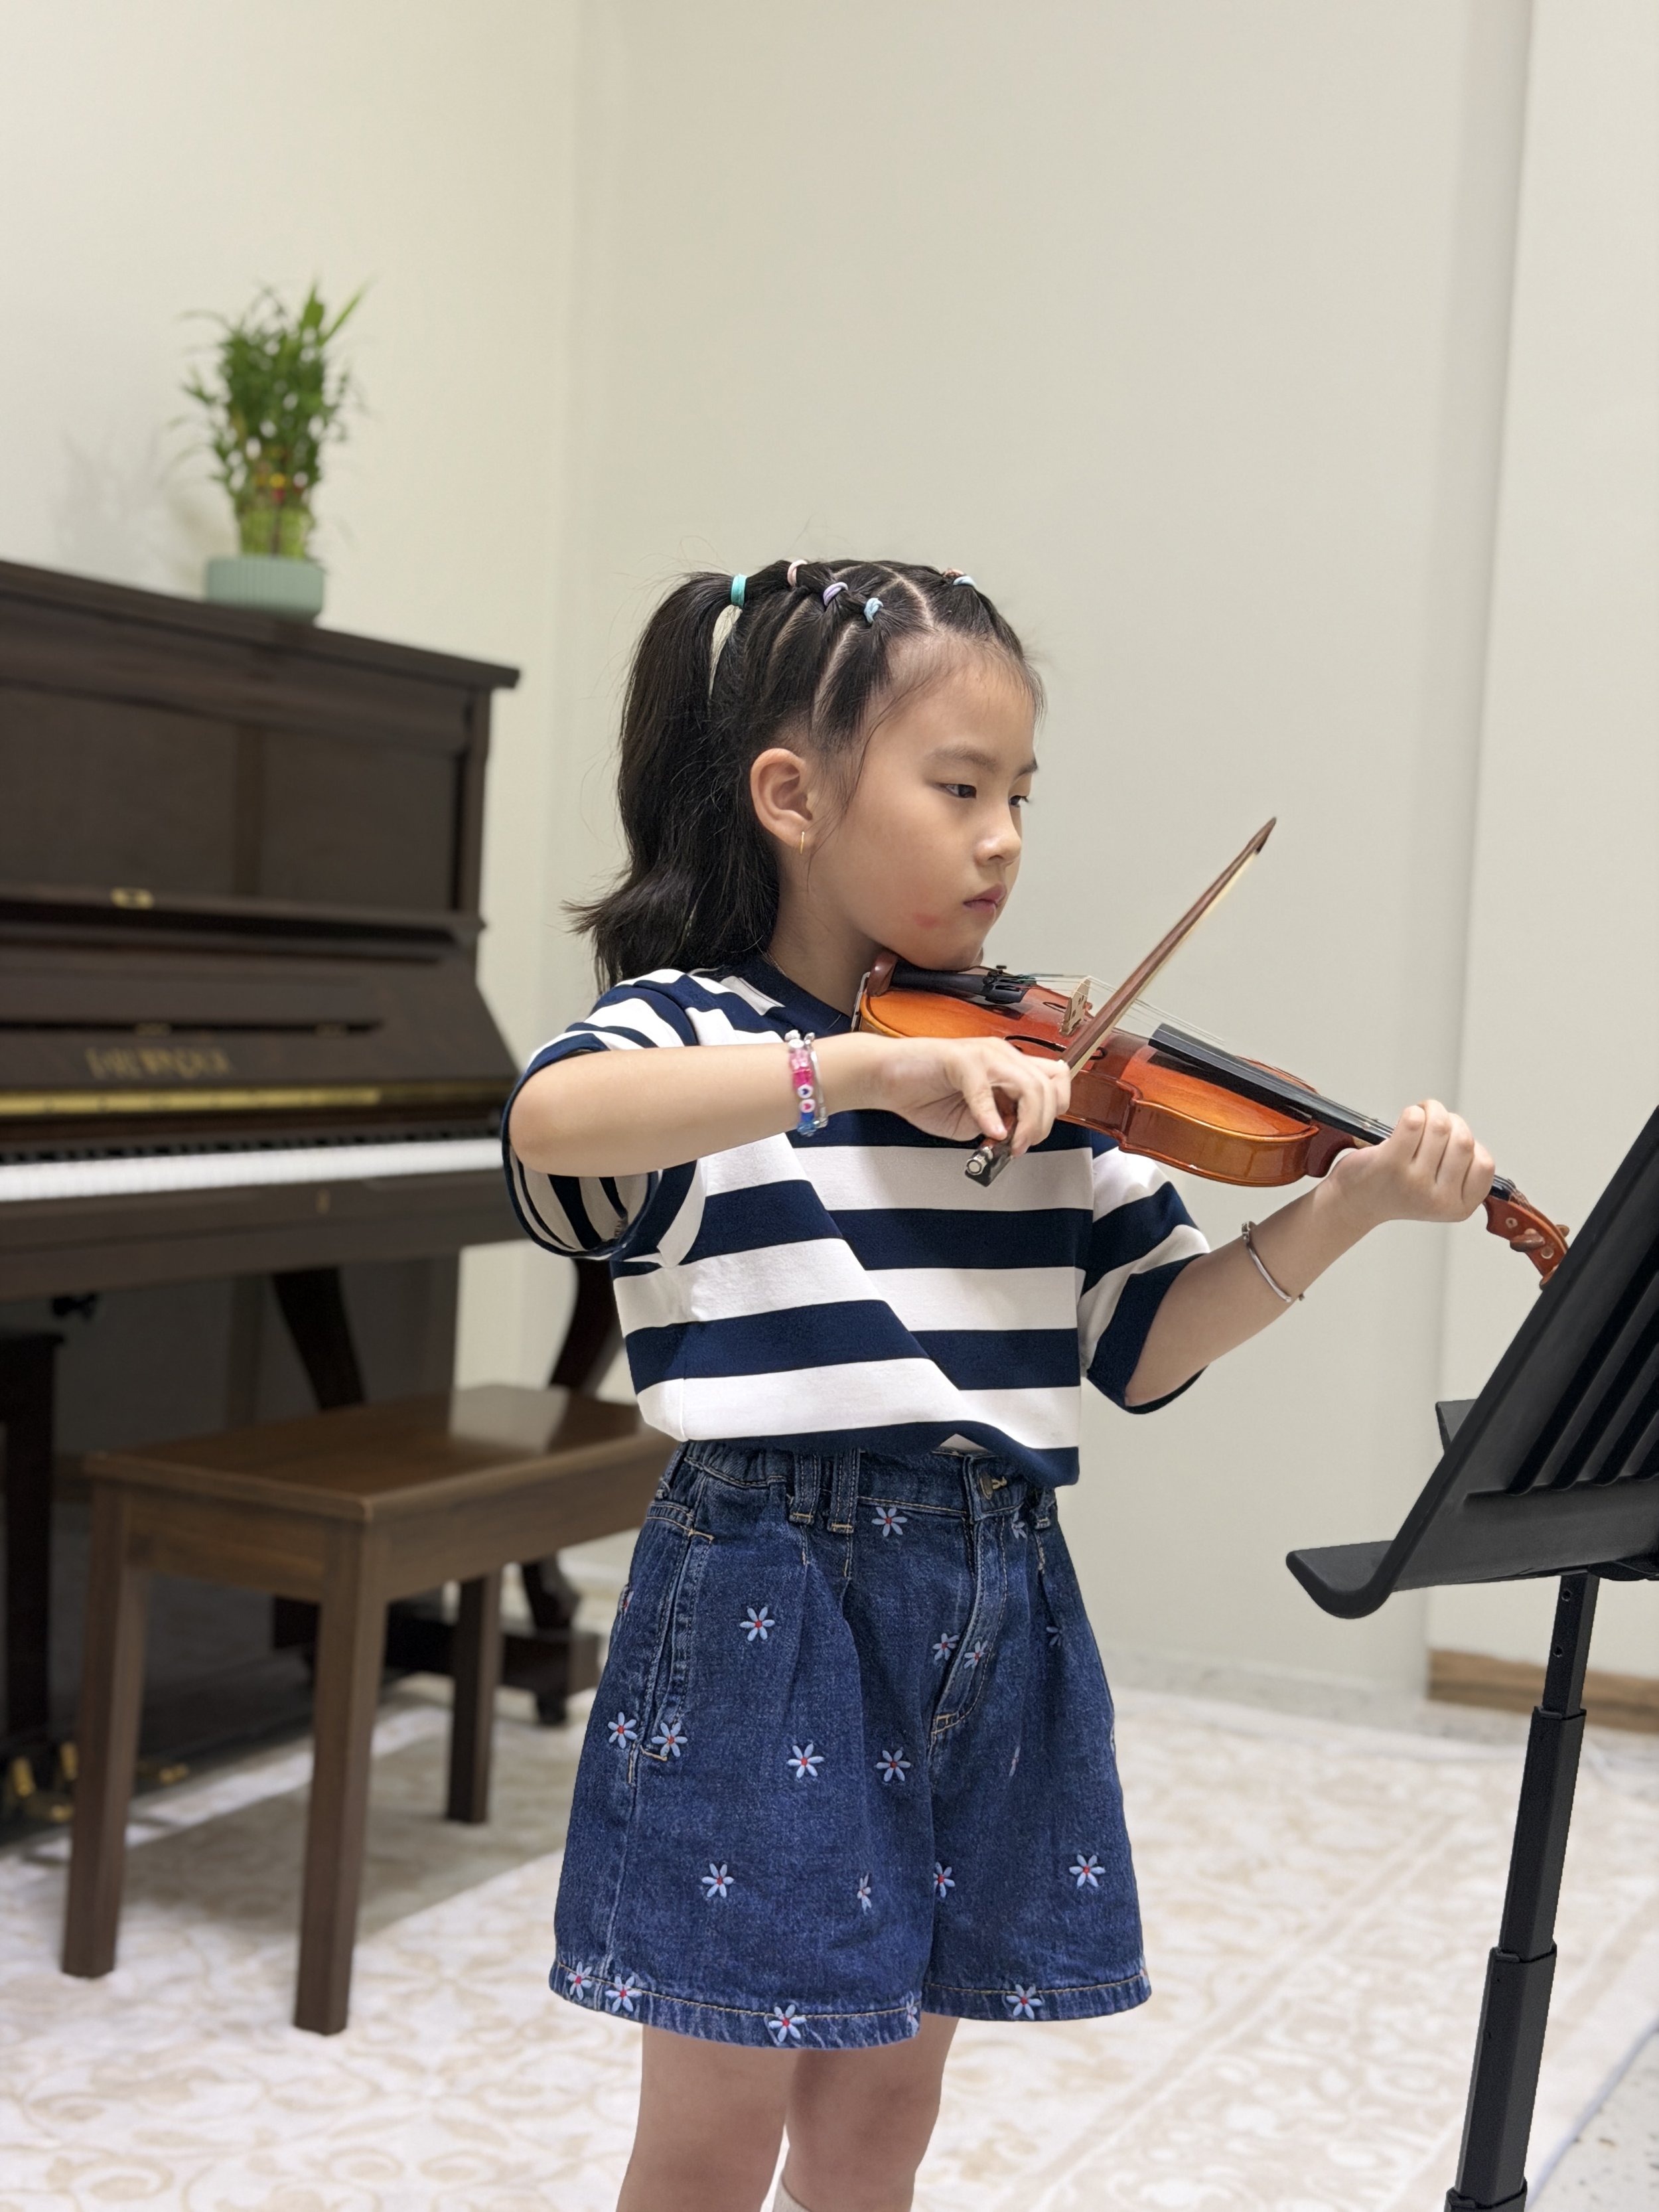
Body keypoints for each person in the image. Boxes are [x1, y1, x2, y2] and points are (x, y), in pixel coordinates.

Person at [504, 558, 1494, 2212]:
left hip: (992, 1583)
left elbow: (1144, 1341)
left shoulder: (1041, 1083)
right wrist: (861, 1070)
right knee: (713, 2108)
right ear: (792, 796)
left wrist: (1338, 1206)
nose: (1003, 837)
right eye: (958, 786)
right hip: (767, 1594)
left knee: (890, 2094)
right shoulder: (693, 1041)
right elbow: (550, 1125)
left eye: (1019, 794)